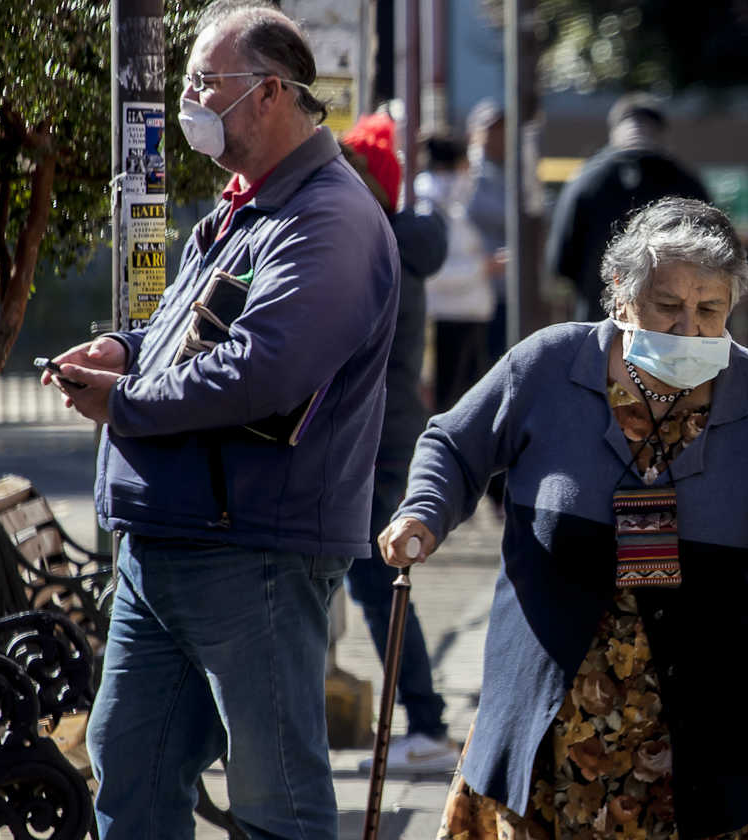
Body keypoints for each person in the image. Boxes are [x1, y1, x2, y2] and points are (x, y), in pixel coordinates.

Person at [35, 3, 399, 836]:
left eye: (206, 81)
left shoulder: (328, 219)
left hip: (251, 549)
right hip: (172, 543)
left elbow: (262, 371)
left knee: (276, 798)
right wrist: (125, 349)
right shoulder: (247, 206)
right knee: (131, 771)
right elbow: (187, 335)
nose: (190, 99)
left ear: (271, 92)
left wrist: (122, 404)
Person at [378, 197, 748, 839]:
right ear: (621, 293)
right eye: (667, 305)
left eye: (710, 310)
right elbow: (455, 445)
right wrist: (424, 513)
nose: (689, 329)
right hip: (555, 724)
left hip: (710, 726)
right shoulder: (548, 365)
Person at [337, 113, 461, 774]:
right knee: (376, 580)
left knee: (376, 581)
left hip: (371, 436)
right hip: (388, 430)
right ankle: (425, 721)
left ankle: (426, 722)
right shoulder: (399, 242)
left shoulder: (371, 247)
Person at [546, 92, 711, 322]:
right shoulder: (685, 183)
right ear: (661, 132)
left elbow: (560, 261)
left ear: (614, 130)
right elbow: (714, 255)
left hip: (600, 317)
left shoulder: (586, 180)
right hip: (673, 323)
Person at [415, 134, 496, 414]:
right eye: (464, 167)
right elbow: (431, 272)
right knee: (447, 405)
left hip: (466, 315)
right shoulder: (429, 206)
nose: (469, 174)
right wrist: (482, 268)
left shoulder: (451, 205)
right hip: (444, 318)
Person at [463, 99, 510, 358]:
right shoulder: (468, 172)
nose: (499, 136)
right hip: (472, 288)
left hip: (506, 291)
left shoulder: (515, 169)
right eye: (492, 129)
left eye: (504, 129)